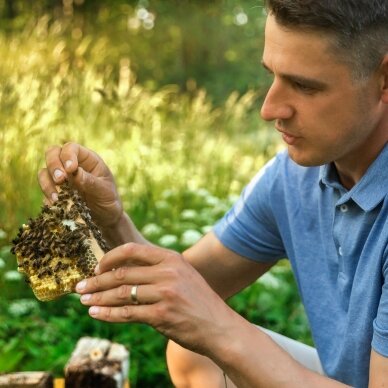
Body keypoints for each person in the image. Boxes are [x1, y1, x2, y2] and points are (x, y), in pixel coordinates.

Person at [38, 0, 388, 386]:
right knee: (192, 350)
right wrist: (110, 220)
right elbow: (182, 287)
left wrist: (218, 329)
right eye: (271, 75)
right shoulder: (294, 177)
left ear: (383, 79)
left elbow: (202, 312)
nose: (269, 110)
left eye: (304, 86)